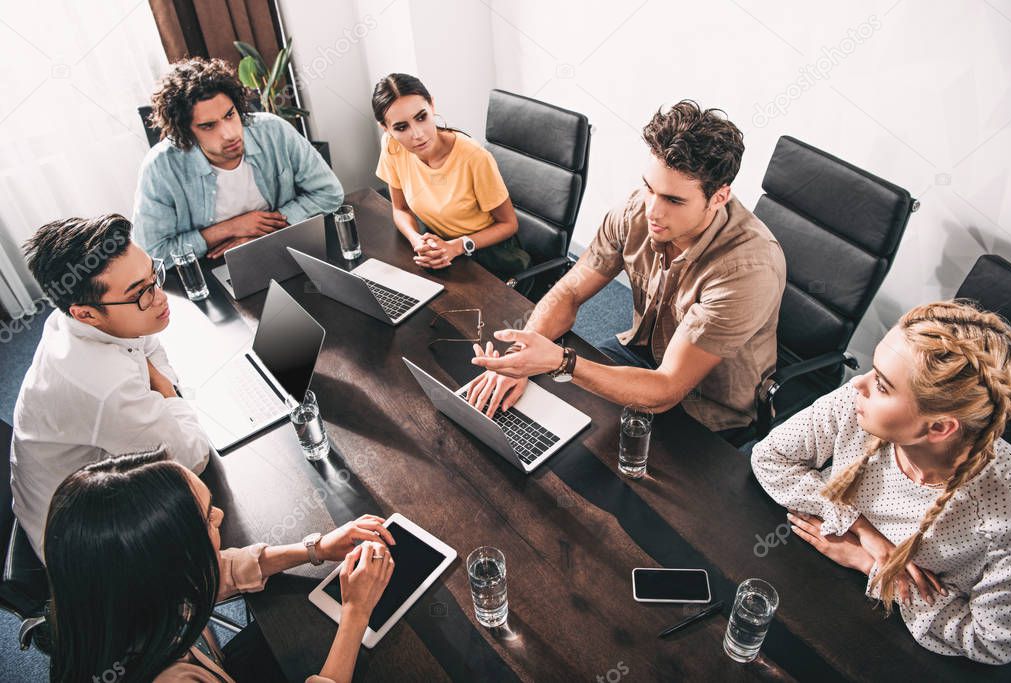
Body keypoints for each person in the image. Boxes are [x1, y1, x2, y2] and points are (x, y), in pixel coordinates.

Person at [468, 100, 785, 444]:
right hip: (639, 351)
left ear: (719, 197)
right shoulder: (637, 210)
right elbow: (570, 291)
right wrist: (520, 359)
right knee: (532, 423)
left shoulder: (747, 269)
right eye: (650, 188)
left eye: (674, 201)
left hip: (705, 407)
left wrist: (560, 361)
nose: (653, 211)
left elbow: (666, 389)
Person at [751, 300, 1011, 665]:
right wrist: (859, 526)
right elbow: (770, 457)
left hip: (889, 643)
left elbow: (992, 642)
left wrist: (873, 567)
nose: (859, 383)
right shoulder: (858, 400)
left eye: (882, 384)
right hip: (803, 573)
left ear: (940, 427)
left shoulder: (1010, 512)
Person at [45, 451, 395, 682]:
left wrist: (314, 548)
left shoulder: (114, 598)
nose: (221, 516)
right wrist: (356, 613)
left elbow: (218, 568)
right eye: (208, 519)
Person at [12, 214, 209, 560]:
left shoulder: (73, 317)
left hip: (75, 486)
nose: (160, 297)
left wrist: (160, 389)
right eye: (142, 294)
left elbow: (150, 348)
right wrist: (165, 392)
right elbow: (192, 458)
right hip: (81, 544)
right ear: (86, 313)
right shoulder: (105, 387)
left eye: (153, 276)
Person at [133, 57, 344, 263]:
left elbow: (330, 193)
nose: (229, 134)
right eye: (208, 126)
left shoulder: (273, 131)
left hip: (282, 246)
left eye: (229, 115)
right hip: (211, 265)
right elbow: (153, 254)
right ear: (185, 132)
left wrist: (261, 233)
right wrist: (231, 228)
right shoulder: (160, 167)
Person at [372, 73, 530, 280]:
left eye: (421, 117)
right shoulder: (392, 146)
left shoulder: (474, 157)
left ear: (432, 106)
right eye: (401, 127)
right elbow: (400, 209)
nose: (417, 134)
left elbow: (509, 225)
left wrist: (458, 246)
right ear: (385, 128)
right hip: (439, 243)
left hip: (489, 253)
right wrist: (417, 241)